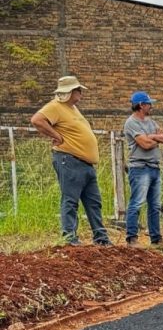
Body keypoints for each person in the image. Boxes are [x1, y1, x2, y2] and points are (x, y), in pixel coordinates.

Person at [29, 75, 112, 246]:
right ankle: (69, 238)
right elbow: (37, 120)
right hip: (69, 159)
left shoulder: (72, 108)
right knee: (71, 200)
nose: (81, 92)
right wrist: (56, 135)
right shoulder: (55, 106)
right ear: (69, 91)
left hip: (86, 163)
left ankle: (101, 238)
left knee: (94, 202)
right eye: (78, 90)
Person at [123, 90, 163, 248]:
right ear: (141, 105)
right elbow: (144, 144)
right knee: (137, 203)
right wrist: (155, 138)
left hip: (154, 167)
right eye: (149, 104)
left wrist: (151, 137)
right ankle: (131, 238)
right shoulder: (131, 123)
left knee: (155, 205)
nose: (151, 106)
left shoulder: (151, 122)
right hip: (140, 167)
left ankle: (156, 239)